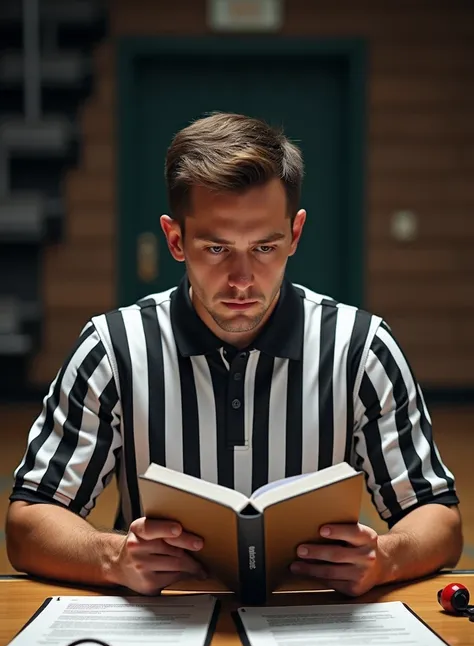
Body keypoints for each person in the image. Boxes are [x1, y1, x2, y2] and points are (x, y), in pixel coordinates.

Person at [6, 112, 462, 597]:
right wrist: (113, 558)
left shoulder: (361, 348)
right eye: (218, 249)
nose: (242, 279)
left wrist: (386, 558)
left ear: (296, 234)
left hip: (313, 621)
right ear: (175, 239)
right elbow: (29, 520)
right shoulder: (112, 349)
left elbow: (439, 520)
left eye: (265, 247)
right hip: (165, 621)